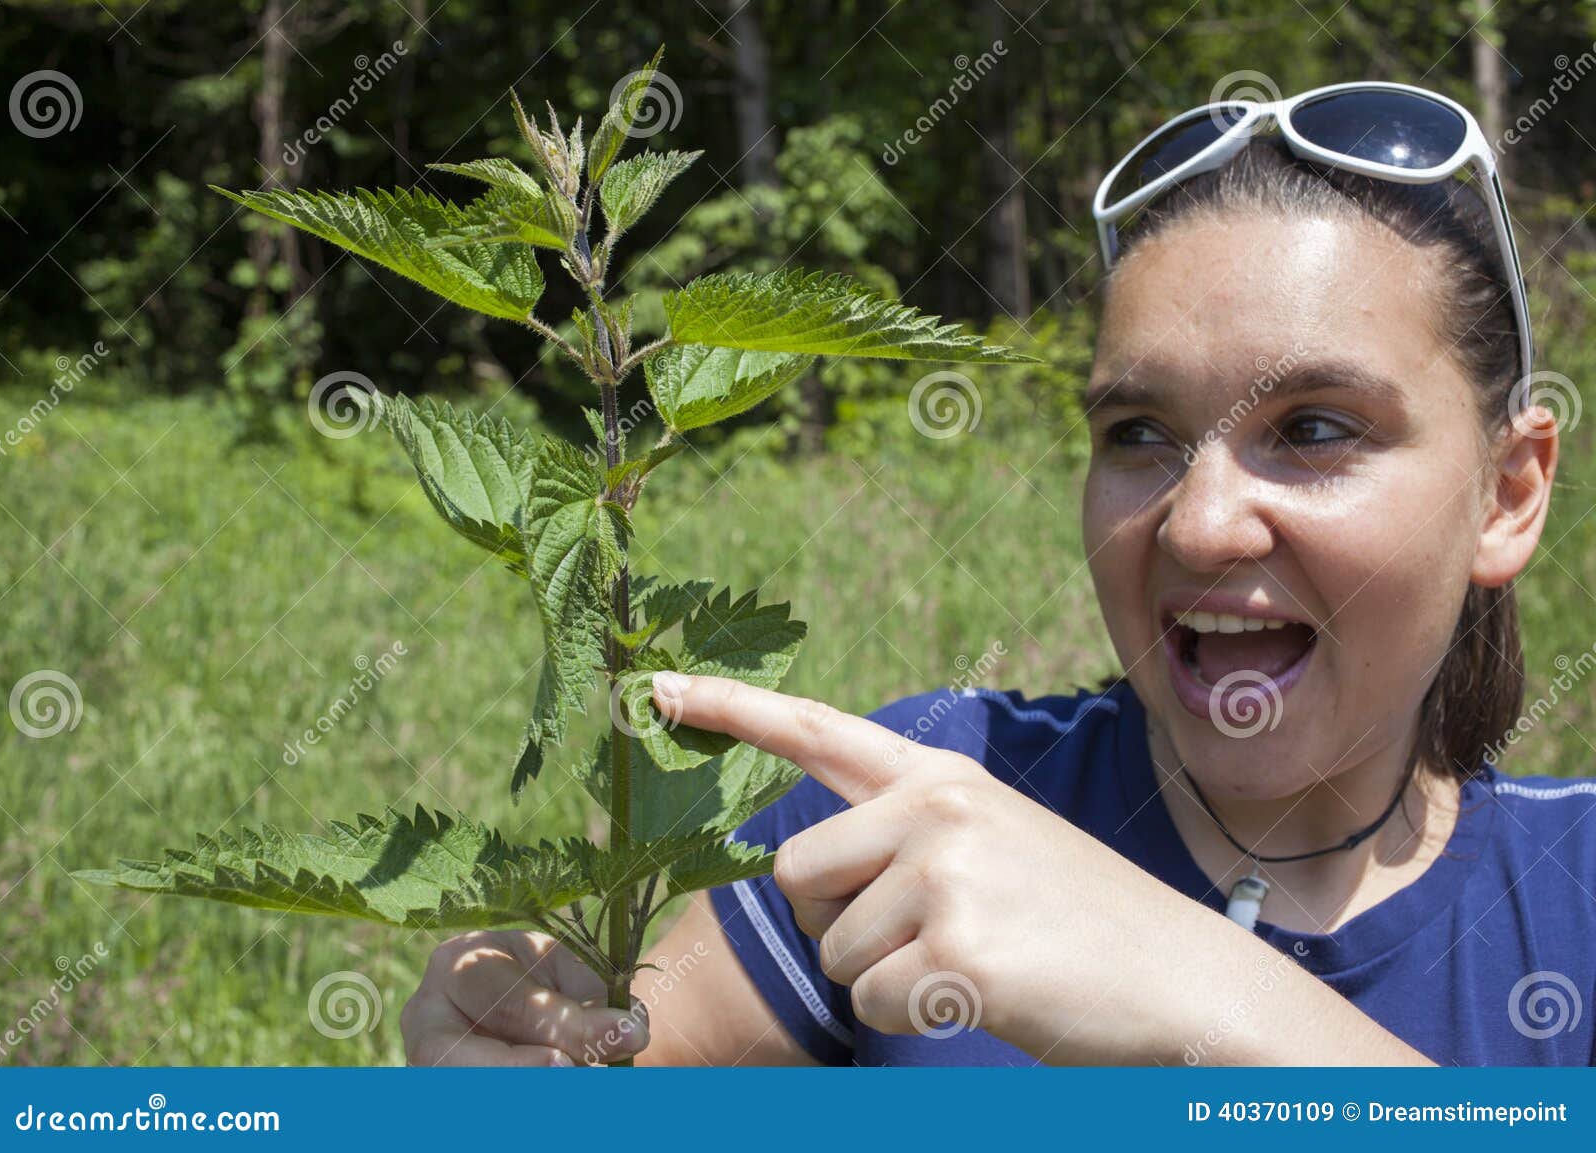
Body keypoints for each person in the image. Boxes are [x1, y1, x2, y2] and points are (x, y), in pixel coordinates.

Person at [399, 84, 1596, 1067]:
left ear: (1509, 491)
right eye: (1139, 433)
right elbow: (625, 1086)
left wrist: (1206, 993)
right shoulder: (920, 795)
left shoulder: (1575, 896)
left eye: (1316, 428)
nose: (1200, 524)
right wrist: (512, 1076)